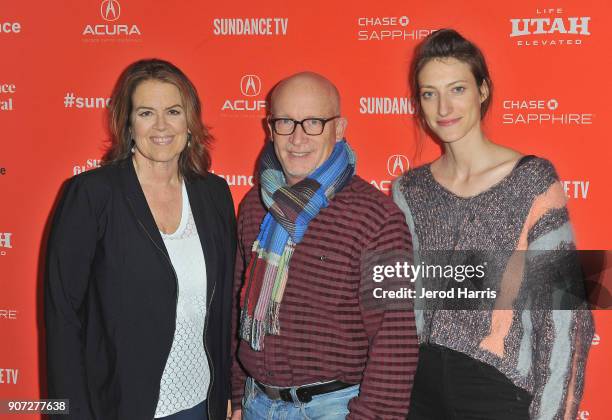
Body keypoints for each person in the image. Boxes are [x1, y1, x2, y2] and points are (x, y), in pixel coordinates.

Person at [393, 29, 594, 419]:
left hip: (498, 394)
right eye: (429, 93)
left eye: (457, 89)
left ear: (482, 90)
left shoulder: (532, 182)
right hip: (418, 391)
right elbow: (402, 306)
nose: (443, 107)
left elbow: (567, 319)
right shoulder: (409, 190)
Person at [45, 59, 236, 420]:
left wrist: (226, 393)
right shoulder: (92, 195)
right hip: (118, 405)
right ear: (128, 124)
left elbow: (225, 305)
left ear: (190, 121)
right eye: (147, 112)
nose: (161, 126)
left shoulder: (214, 194)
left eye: (173, 111)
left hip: (201, 404)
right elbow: (62, 317)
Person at [229, 72, 418, 419]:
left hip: (332, 410)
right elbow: (238, 307)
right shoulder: (256, 205)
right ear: (270, 128)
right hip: (255, 403)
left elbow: (395, 340)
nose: (297, 137)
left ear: (340, 128)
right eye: (286, 121)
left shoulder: (377, 218)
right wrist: (237, 393)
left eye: (314, 122)